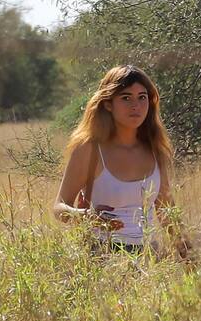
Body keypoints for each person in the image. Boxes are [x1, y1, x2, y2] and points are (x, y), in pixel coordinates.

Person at [53, 65, 187, 257]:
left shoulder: (156, 150)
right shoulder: (89, 149)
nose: (136, 106)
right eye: (126, 98)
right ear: (108, 104)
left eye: (142, 97)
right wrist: (85, 217)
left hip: (149, 259)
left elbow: (167, 213)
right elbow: (59, 207)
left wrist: (189, 258)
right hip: (101, 256)